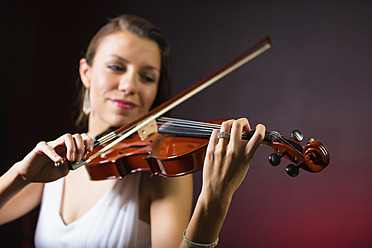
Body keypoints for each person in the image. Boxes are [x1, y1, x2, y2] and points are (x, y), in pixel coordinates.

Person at [0, 14, 265, 247]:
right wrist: (21, 175)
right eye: (116, 67)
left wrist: (215, 198)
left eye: (147, 77)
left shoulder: (158, 171)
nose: (129, 86)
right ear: (86, 72)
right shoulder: (57, 162)